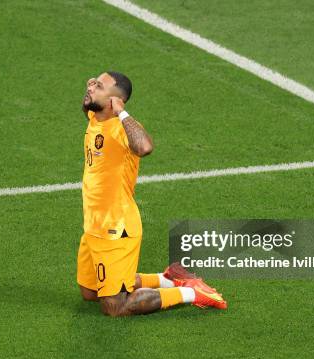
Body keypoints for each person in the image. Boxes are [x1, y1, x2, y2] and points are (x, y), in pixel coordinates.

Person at [77, 71, 227, 316]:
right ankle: (168, 278)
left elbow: (145, 147)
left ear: (117, 100)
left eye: (99, 85)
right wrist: (92, 91)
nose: (92, 86)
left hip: (116, 228)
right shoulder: (96, 119)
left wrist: (122, 113)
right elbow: (88, 107)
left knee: (115, 306)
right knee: (89, 292)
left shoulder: (122, 128)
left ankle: (194, 293)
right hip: (94, 225)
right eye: (92, 81)